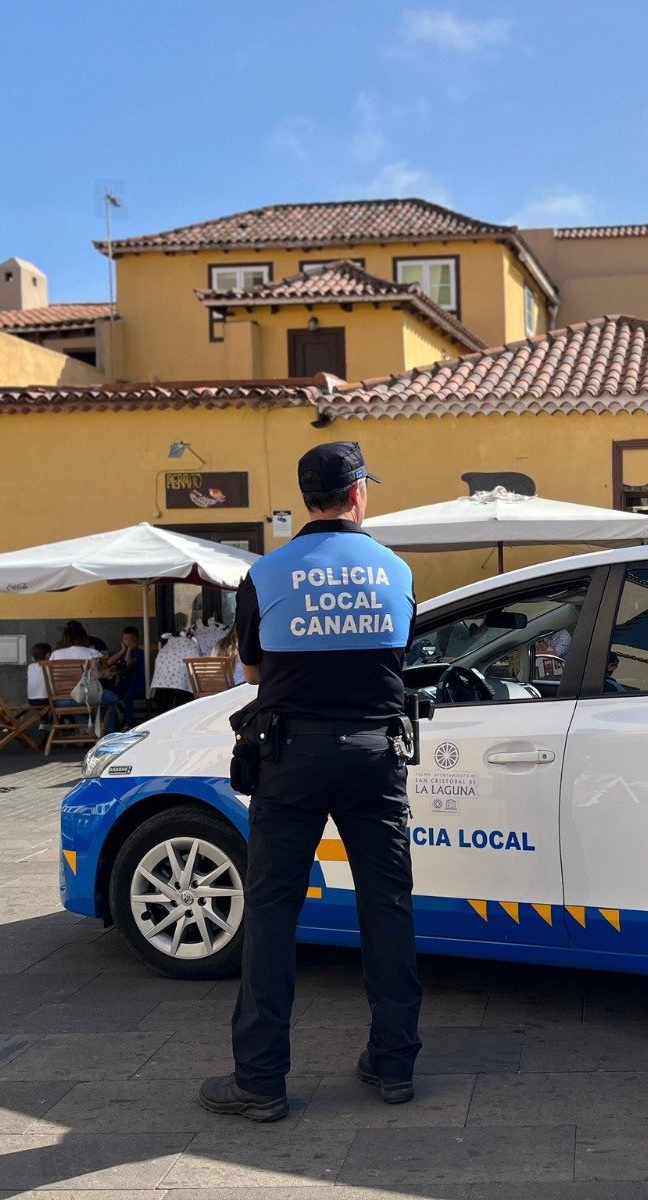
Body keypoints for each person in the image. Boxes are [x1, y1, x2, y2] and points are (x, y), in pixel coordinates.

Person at [199, 442, 419, 1123]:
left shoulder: (265, 573)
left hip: (290, 755)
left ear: (307, 499)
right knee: (386, 907)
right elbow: (395, 656)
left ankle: (261, 1081)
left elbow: (254, 669)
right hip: (376, 753)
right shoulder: (396, 569)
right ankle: (393, 1064)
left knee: (271, 913)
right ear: (357, 495)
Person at [49, 627, 121, 735]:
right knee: (113, 698)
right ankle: (108, 733)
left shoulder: (55, 654)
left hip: (61, 701)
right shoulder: (91, 652)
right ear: (84, 637)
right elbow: (96, 675)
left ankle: (85, 729)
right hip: (85, 698)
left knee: (80, 702)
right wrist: (104, 673)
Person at [101, 627, 146, 727]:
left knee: (127, 697)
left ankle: (127, 722)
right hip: (125, 682)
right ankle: (117, 719)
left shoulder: (139, 652)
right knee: (112, 694)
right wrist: (123, 650)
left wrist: (129, 649)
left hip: (137, 682)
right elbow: (110, 662)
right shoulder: (122, 651)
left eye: (131, 639)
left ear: (136, 640)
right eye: (125, 638)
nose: (127, 641)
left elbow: (129, 663)